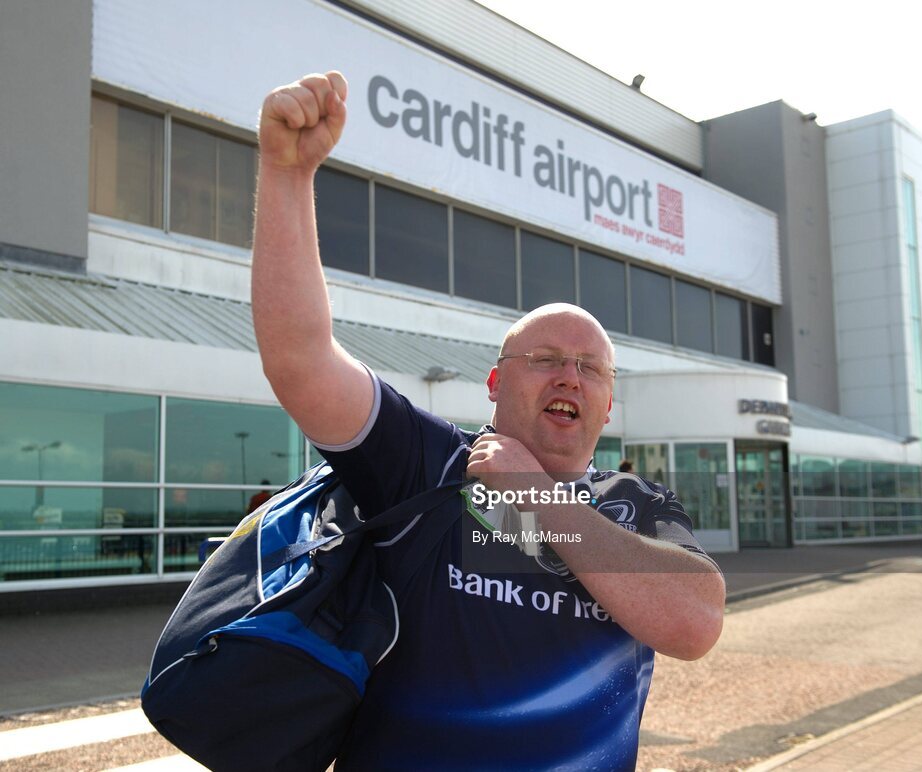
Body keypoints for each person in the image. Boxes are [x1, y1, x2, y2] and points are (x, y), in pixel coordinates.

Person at [251, 71, 725, 770]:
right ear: (497, 382)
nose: (570, 375)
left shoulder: (637, 505)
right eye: (546, 359)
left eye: (590, 369)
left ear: (607, 404)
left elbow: (692, 624)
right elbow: (300, 362)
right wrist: (286, 177)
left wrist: (530, 493)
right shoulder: (424, 462)